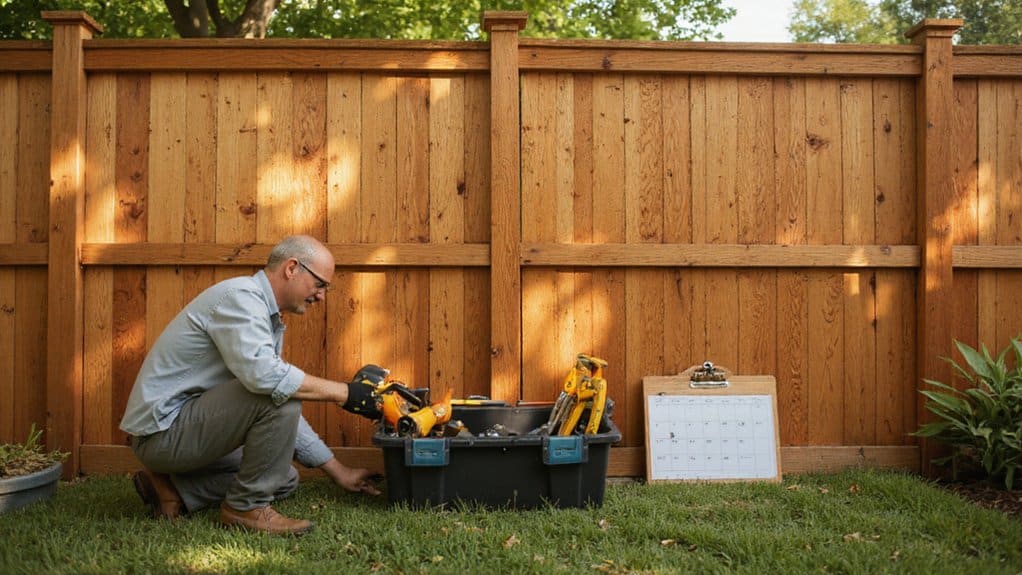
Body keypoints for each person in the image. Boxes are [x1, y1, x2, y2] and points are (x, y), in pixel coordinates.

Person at [120, 235, 385, 536]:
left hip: (184, 429)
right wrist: (347, 393)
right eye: (321, 284)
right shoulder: (240, 298)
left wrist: (339, 471)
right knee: (280, 394)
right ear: (292, 268)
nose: (322, 296)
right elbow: (270, 383)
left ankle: (172, 490)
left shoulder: (262, 313)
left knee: (284, 477)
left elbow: (274, 389)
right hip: (163, 434)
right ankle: (246, 507)